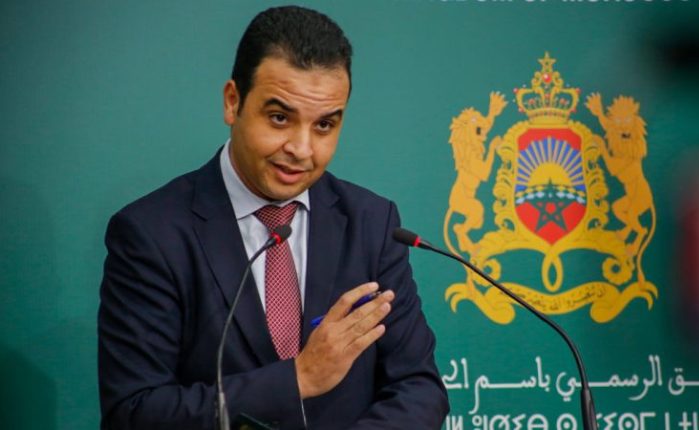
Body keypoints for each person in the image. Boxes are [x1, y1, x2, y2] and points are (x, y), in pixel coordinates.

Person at [97, 5, 449, 430]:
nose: (301, 149)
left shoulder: (372, 224)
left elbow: (418, 387)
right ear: (233, 102)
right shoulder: (152, 233)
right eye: (280, 118)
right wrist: (297, 379)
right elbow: (135, 412)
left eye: (324, 125)